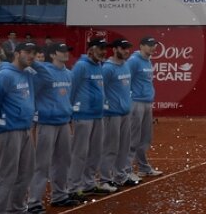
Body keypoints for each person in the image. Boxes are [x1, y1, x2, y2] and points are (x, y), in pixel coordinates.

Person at [0, 41, 38, 214]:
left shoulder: (28, 74)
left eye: (33, 53)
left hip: (25, 127)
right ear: (17, 53)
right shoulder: (4, 75)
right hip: (9, 128)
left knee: (26, 169)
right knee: (6, 172)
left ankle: (15, 207)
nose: (31, 56)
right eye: (27, 52)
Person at [27, 42, 78, 212]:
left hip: (64, 122)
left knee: (63, 161)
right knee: (42, 163)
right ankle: (34, 201)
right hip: (46, 122)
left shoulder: (69, 74)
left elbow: (69, 98)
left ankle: (60, 195)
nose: (66, 54)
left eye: (67, 51)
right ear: (52, 54)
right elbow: (33, 93)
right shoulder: (43, 72)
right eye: (62, 51)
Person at [69, 37, 110, 197]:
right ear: (91, 49)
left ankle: (89, 183)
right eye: (100, 49)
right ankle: (73, 186)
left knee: (95, 151)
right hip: (83, 115)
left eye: (104, 49)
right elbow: (72, 89)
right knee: (80, 152)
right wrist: (71, 110)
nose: (103, 52)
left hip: (97, 115)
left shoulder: (99, 65)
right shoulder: (80, 66)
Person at [101, 39, 136, 188]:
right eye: (123, 48)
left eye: (128, 48)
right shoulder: (107, 68)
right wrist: (107, 106)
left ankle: (120, 175)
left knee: (124, 147)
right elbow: (101, 90)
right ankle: (104, 178)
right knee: (111, 147)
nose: (126, 51)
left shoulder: (126, 66)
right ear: (115, 49)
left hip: (125, 113)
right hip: (112, 114)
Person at [126, 36, 161, 178]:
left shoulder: (148, 61)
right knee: (133, 138)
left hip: (146, 102)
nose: (153, 47)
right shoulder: (133, 61)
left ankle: (143, 167)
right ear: (141, 46)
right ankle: (126, 170)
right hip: (136, 102)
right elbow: (125, 80)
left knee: (145, 138)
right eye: (149, 45)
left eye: (154, 45)